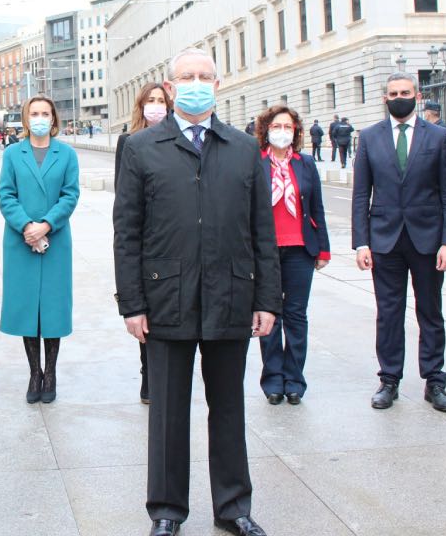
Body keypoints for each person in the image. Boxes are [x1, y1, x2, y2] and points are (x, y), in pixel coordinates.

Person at [114, 48, 280, 536]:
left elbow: (262, 230)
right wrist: (132, 304)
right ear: (169, 85)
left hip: (231, 294)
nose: (195, 83)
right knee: (167, 411)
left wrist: (268, 300)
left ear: (218, 84)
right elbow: (127, 231)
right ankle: (167, 510)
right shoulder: (143, 148)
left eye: (204, 76)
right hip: (166, 298)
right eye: (186, 76)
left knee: (228, 405)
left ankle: (233, 507)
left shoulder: (243, 148)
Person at [352, 72, 446, 413]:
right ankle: (389, 380)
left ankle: (434, 381)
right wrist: (361, 242)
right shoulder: (369, 137)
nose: (399, 97)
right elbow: (360, 194)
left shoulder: (439, 137)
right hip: (384, 240)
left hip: (427, 239)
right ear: (385, 98)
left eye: (405, 92)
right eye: (393, 93)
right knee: (388, 313)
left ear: (417, 95)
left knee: (430, 311)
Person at [0, 95, 80, 405]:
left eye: (45, 113)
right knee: (27, 307)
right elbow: (6, 194)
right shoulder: (12, 154)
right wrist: (26, 226)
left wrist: (46, 224)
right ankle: (35, 372)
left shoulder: (67, 154)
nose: (40, 117)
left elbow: (70, 195)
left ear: (54, 118)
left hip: (55, 240)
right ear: (26, 118)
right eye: (35, 113)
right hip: (21, 241)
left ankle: (52, 372)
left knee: (53, 307)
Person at [256, 106, 330, 405]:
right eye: (277, 125)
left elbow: (318, 207)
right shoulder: (255, 162)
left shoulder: (305, 163)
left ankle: (294, 380)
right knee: (268, 315)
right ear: (266, 129)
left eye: (288, 126)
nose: (282, 131)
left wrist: (323, 249)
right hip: (265, 250)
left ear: (296, 131)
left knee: (297, 316)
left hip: (301, 248)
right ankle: (273, 379)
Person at [114, 81, 172, 404]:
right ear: (141, 105)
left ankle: (163, 375)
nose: (155, 105)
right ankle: (147, 375)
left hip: (172, 236)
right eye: (150, 100)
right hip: (146, 238)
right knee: (144, 310)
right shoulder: (130, 142)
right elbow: (123, 196)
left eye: (161, 100)